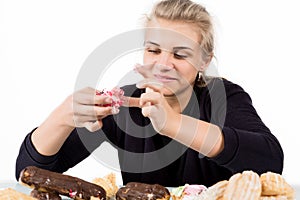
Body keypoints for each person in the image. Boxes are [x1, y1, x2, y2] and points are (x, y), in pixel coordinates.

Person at [15, 0, 283, 187]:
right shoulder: (125, 104)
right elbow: (30, 172)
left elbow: (270, 160)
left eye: (180, 54)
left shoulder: (223, 96)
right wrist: (61, 117)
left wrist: (173, 124)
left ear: (204, 61)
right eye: (154, 50)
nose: (163, 64)